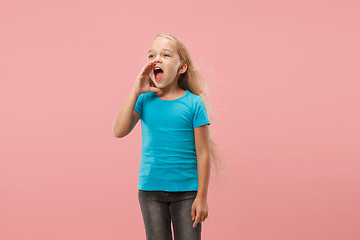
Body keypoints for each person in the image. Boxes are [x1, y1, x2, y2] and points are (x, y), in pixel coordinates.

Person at [113, 33, 220, 240]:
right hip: (150, 191)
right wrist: (135, 90)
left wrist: (202, 197)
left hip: (187, 192)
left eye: (166, 55)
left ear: (181, 68)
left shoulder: (194, 103)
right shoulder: (144, 100)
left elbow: (203, 153)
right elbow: (119, 131)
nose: (157, 59)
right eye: (151, 55)